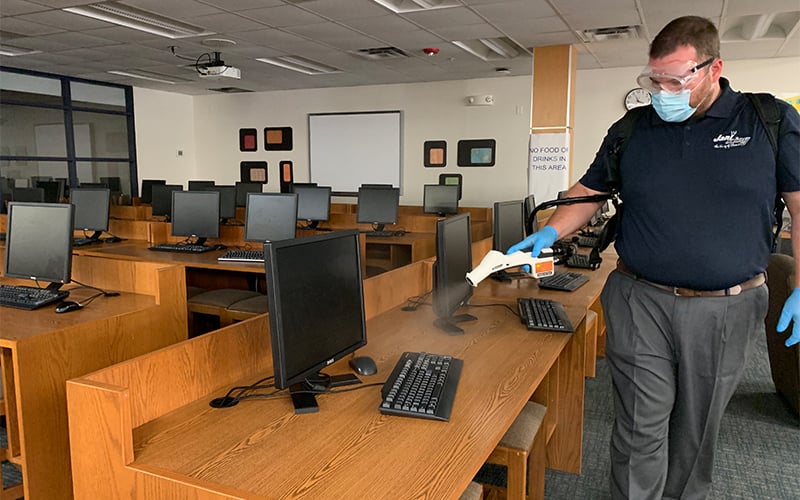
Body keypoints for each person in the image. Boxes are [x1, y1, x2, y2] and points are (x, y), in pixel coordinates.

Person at [509, 15, 800, 500]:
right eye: (654, 80)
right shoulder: (633, 128)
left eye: (675, 80)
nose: (663, 92)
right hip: (639, 298)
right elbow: (589, 191)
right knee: (637, 424)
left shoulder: (768, 120)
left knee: (696, 429)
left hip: (727, 306)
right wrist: (550, 230)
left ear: (714, 68)